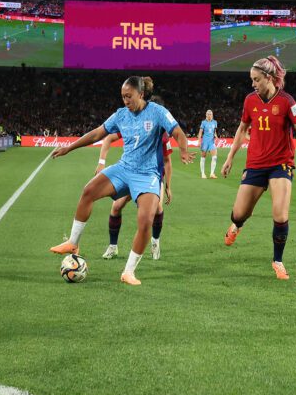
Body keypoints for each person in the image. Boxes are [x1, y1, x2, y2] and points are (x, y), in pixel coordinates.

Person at [49, 76, 194, 285]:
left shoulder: (158, 112)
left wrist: (183, 150)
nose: (125, 101)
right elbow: (97, 134)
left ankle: (128, 272)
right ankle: (73, 243)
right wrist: (69, 148)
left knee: (145, 220)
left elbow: (178, 132)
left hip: (147, 175)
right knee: (88, 191)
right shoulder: (121, 114)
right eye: (123, 97)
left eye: (129, 96)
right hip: (124, 168)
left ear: (141, 94)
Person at [221, 56, 296, 280]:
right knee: (239, 213)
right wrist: (230, 157)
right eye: (251, 80)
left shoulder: (286, 101)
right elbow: (241, 129)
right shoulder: (250, 100)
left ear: (269, 78)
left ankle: (278, 261)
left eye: (256, 79)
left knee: (280, 214)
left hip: (280, 164)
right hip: (255, 164)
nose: (253, 84)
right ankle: (237, 225)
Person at [99, 128, 174, 260]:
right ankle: (113, 247)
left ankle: (155, 242)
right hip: (131, 175)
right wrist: (101, 162)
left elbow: (167, 160)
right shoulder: (134, 126)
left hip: (152, 178)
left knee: (157, 209)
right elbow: (109, 138)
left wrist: (168, 186)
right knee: (116, 207)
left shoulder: (162, 135)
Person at [198, 109, 219, 179]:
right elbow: (200, 132)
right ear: (206, 115)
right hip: (205, 141)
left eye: (211, 114)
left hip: (211, 142)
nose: (209, 115)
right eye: (208, 114)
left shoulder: (215, 122)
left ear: (212, 115)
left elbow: (214, 131)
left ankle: (212, 173)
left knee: (215, 157)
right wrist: (199, 141)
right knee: (203, 157)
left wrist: (216, 136)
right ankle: (203, 173)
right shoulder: (203, 122)